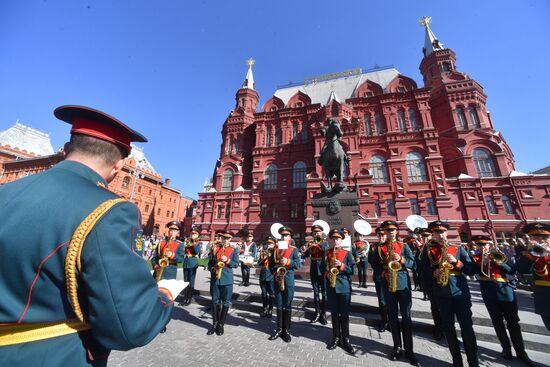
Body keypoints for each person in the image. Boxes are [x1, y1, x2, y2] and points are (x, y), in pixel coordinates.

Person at [0, 105, 174, 366]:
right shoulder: (111, 211)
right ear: (120, 164)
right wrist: (164, 296)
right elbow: (131, 327)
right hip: (51, 356)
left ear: (65, 150)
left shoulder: (6, 192)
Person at [470, 235, 535, 366]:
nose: (483, 247)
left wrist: (498, 261)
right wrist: (483, 263)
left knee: (513, 321)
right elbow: (471, 271)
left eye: (485, 245)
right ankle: (506, 349)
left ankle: (521, 352)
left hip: (505, 290)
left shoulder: (499, 255)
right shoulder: (475, 258)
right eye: (480, 245)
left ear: (490, 245)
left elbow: (511, 270)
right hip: (488, 292)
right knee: (497, 321)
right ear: (476, 246)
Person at [421, 221, 478, 367]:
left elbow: (471, 269)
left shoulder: (457, 248)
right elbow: (421, 268)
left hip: (460, 293)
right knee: (448, 327)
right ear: (432, 234)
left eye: (443, 232)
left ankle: (473, 362)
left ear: (447, 233)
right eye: (437, 232)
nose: (440, 235)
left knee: (467, 327)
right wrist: (434, 272)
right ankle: (457, 362)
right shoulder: (428, 249)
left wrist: (458, 263)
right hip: (441, 292)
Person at [371, 220, 418, 366]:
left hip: (403, 283)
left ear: (396, 231)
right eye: (387, 230)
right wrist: (383, 273)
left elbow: (413, 263)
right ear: (384, 232)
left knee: (406, 316)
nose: (390, 232)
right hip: (388, 284)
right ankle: (397, 347)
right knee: (392, 316)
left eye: (393, 230)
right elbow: (376, 264)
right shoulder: (379, 248)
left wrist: (402, 259)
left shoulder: (403, 246)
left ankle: (410, 351)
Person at [325, 229, 356, 355]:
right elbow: (322, 267)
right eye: (333, 238)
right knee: (334, 313)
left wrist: (342, 266)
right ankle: (336, 337)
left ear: (341, 240)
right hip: (331, 287)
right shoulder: (326, 253)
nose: (335, 240)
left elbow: (352, 270)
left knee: (344, 314)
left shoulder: (347, 253)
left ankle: (346, 339)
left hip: (343, 287)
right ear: (331, 240)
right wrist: (327, 274)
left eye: (338, 238)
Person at [269, 226, 300, 343]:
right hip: (278, 279)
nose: (284, 237)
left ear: (290, 237)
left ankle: (286, 330)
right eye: (282, 235)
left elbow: (297, 264)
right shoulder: (275, 249)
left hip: (288, 280)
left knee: (287, 304)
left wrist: (288, 262)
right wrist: (274, 273)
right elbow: (271, 265)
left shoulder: (294, 249)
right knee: (279, 304)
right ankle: (278, 329)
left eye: (286, 235)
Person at [517, 222, 550, 331]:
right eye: (535, 237)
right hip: (545, 300)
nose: (540, 241)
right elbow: (521, 269)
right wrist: (530, 255)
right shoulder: (530, 254)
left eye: (545, 237)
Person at [207, 229, 239, 336]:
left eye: (228, 238)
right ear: (221, 238)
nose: (225, 240)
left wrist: (228, 260)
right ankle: (214, 324)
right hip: (216, 278)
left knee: (225, 302)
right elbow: (210, 263)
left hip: (227, 279)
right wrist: (212, 269)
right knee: (215, 301)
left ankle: (221, 325)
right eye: (224, 238)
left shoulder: (234, 249)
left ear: (230, 239)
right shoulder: (215, 248)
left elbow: (236, 264)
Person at [301, 224, 329, 325]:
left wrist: (318, 243)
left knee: (324, 293)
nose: (316, 233)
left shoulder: (325, 243)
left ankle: (324, 314)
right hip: (313, 269)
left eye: (318, 232)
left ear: (321, 233)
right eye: (314, 232)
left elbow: (326, 251)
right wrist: (305, 250)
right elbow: (307, 255)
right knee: (316, 292)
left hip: (323, 269)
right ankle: (317, 313)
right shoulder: (310, 243)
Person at [368, 227, 389, 332]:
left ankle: (392, 321)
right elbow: (371, 261)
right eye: (380, 235)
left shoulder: (391, 245)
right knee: (381, 300)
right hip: (380, 276)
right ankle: (384, 321)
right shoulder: (373, 247)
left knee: (392, 300)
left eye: (383, 234)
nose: (382, 236)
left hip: (392, 276)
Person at [181, 225, 202, 306]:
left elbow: (197, 251)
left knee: (191, 282)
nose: (192, 234)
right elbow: (184, 252)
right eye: (192, 233)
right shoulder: (188, 241)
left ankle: (189, 299)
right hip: (186, 262)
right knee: (185, 281)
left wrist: (194, 243)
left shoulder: (198, 243)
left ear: (198, 235)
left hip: (193, 262)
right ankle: (185, 298)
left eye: (194, 233)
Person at [258, 236, 276, 318]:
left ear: (274, 244)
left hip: (271, 275)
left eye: (271, 243)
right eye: (268, 243)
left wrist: (270, 256)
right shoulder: (263, 252)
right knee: (264, 293)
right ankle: (264, 308)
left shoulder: (276, 252)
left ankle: (270, 309)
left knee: (272, 293)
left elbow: (277, 262)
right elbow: (259, 263)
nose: (269, 245)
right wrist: (263, 258)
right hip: (263, 274)